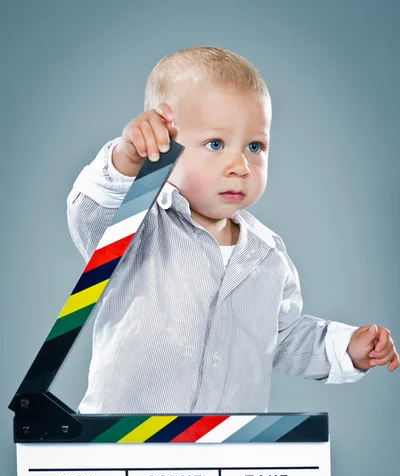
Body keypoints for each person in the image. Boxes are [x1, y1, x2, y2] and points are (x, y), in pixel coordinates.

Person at [67, 46, 398, 414]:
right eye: (215, 144)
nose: (240, 165)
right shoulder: (140, 226)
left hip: (221, 452)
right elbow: (92, 215)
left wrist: (345, 347)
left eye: (255, 146)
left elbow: (282, 337)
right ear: (162, 144)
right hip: (120, 446)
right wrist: (126, 160)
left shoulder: (268, 255)